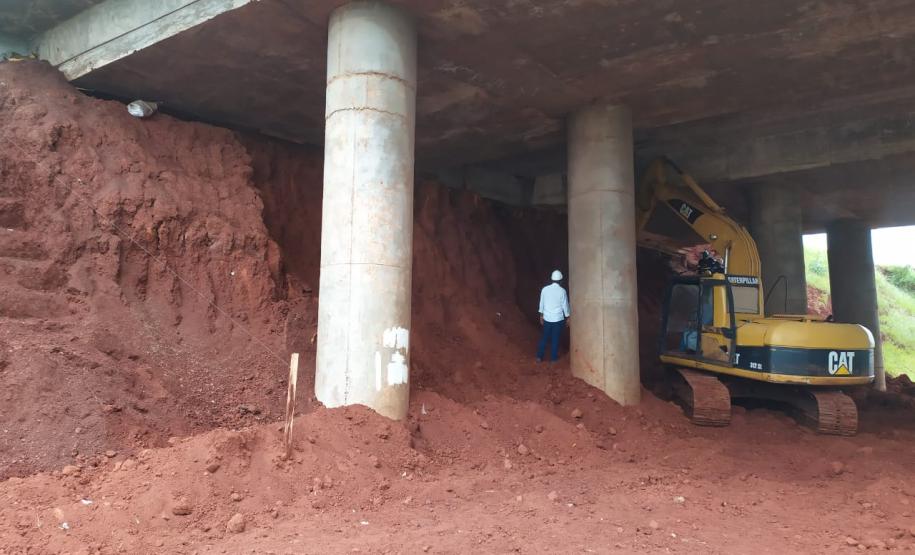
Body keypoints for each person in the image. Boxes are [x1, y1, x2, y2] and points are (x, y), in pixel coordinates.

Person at [537, 270, 570, 362]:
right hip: (558, 319)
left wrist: (541, 316)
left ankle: (539, 356)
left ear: (552, 279)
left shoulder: (545, 289)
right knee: (555, 338)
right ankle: (553, 359)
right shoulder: (562, 291)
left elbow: (541, 304)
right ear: (560, 281)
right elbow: (565, 305)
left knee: (544, 337)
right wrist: (568, 317)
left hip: (547, 318)